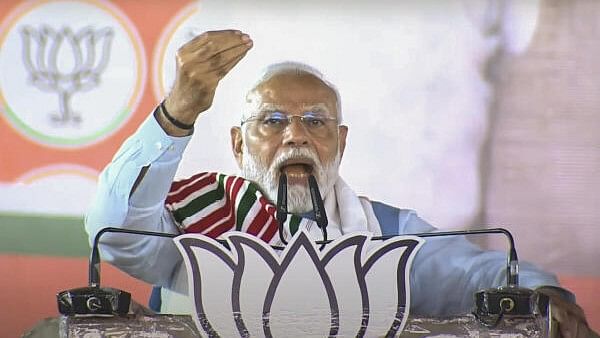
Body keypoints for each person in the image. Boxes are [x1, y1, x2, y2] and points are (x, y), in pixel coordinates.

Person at [86, 30, 595, 337]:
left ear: (340, 142)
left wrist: (541, 292)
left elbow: (475, 274)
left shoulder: (385, 230)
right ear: (239, 146)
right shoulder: (194, 220)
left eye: (315, 121)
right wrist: (176, 114)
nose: (295, 137)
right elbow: (113, 232)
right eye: (272, 121)